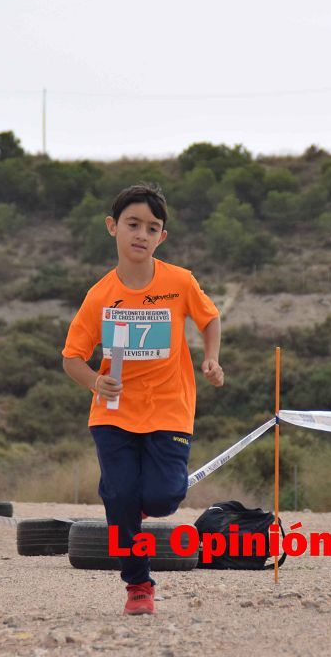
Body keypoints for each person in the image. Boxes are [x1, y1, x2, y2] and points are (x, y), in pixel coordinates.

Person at [61, 183, 224, 615]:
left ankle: (134, 500)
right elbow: (72, 358)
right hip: (112, 414)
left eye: (152, 228)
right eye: (133, 224)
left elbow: (210, 319)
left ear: (162, 237)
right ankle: (138, 584)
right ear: (113, 227)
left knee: (162, 498)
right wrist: (96, 383)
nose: (142, 234)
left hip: (170, 409)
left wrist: (211, 359)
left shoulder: (179, 281)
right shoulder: (99, 296)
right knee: (120, 496)